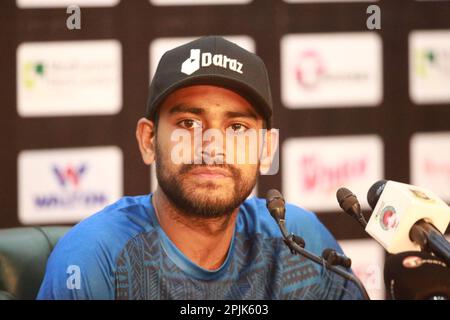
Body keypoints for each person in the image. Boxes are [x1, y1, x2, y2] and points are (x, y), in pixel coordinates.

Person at [37, 36, 362, 300]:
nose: (212, 146)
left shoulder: (298, 242)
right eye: (188, 123)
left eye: (237, 128)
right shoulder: (97, 258)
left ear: (266, 149)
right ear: (148, 140)